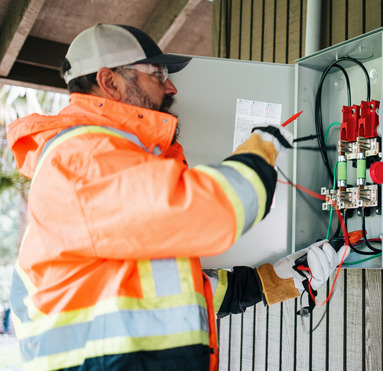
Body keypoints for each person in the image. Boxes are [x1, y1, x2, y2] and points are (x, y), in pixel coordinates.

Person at [8, 24, 348, 371]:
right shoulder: (83, 156)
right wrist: (259, 152)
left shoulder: (95, 158)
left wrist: (273, 281)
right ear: (110, 82)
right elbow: (213, 212)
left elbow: (173, 291)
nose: (169, 86)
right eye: (157, 73)